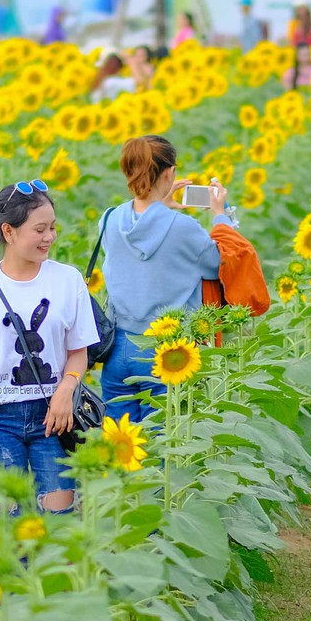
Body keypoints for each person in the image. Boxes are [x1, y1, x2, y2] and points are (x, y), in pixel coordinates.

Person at [0, 183, 98, 513]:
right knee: (9, 523)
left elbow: (78, 352)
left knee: (60, 519)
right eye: (39, 229)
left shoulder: (67, 281)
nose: (50, 237)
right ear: (9, 232)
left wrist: (65, 391)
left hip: (55, 418)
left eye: (53, 227)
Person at [99, 135, 232, 421]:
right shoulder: (184, 228)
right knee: (163, 446)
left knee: (120, 442)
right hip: (167, 350)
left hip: (116, 348)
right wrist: (221, 215)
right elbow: (221, 265)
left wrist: (161, 209)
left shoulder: (109, 219)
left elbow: (134, 258)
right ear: (170, 174)